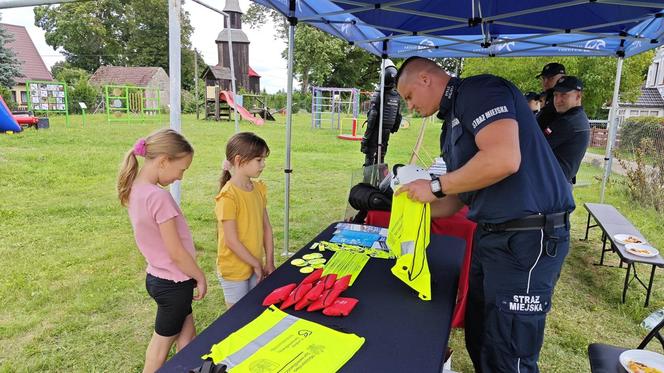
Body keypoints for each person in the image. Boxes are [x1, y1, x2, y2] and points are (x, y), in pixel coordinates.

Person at [394, 56, 575, 372]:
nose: (409, 107)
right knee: (480, 336)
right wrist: (408, 208)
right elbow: (458, 198)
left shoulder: (481, 90)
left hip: (528, 238)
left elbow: (504, 159)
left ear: (425, 78)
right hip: (490, 234)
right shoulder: (449, 125)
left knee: (508, 352)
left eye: (408, 96)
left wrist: (434, 186)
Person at [117, 128, 207, 373]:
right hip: (174, 284)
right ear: (164, 161)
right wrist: (199, 276)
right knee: (159, 349)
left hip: (159, 279)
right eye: (182, 170)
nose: (181, 177)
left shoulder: (136, 189)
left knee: (188, 337)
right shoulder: (159, 198)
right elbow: (176, 251)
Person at [215, 132, 275, 308]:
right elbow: (231, 241)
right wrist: (257, 263)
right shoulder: (227, 197)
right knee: (237, 319)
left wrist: (269, 261)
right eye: (259, 160)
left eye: (264, 159)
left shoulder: (259, 189)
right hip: (234, 270)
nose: (263, 164)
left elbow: (266, 228)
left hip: (254, 265)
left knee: (253, 312)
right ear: (240, 160)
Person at [544, 76, 590, 184]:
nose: (558, 100)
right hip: (559, 183)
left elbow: (535, 147)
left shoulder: (568, 122)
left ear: (578, 96)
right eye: (555, 95)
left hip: (553, 186)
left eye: (564, 95)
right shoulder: (577, 117)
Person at [361, 59, 402, 167]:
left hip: (375, 130)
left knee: (370, 155)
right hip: (387, 131)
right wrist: (393, 128)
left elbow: (372, 116)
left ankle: (368, 181)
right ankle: (380, 179)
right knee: (381, 155)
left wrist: (366, 137)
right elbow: (398, 116)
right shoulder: (396, 96)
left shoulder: (379, 94)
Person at [536, 62, 566, 132]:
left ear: (562, 77)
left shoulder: (563, 100)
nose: (545, 82)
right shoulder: (547, 96)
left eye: (550, 78)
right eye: (543, 78)